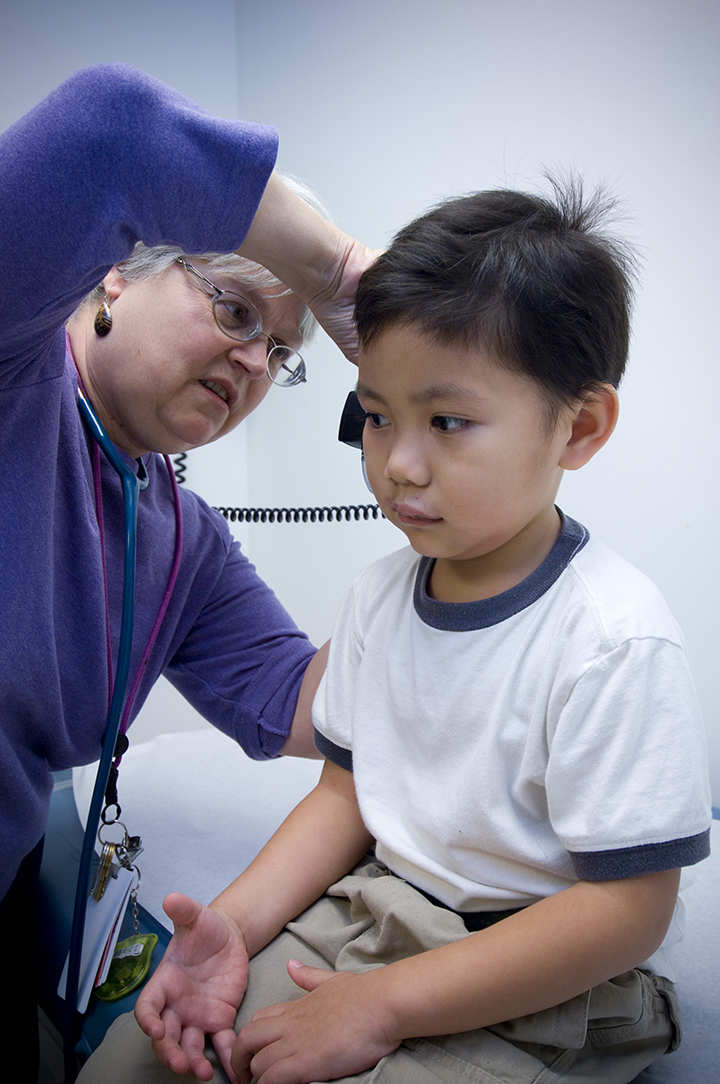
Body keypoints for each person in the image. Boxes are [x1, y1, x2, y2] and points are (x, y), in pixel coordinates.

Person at [77, 180, 712, 1084]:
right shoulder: (381, 598)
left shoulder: (614, 637)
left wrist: (384, 1003)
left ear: (581, 427)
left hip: (546, 966)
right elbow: (345, 797)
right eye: (376, 417)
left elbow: (629, 912)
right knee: (138, 1066)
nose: (396, 465)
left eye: (447, 421)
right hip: (379, 907)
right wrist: (236, 926)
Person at [0, 62, 376, 1078]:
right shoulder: (13, 367)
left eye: (286, 348)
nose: (259, 362)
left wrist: (467, 568)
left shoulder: (182, 535)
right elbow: (113, 131)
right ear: (116, 274)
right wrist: (343, 279)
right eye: (238, 311)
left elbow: (302, 700)